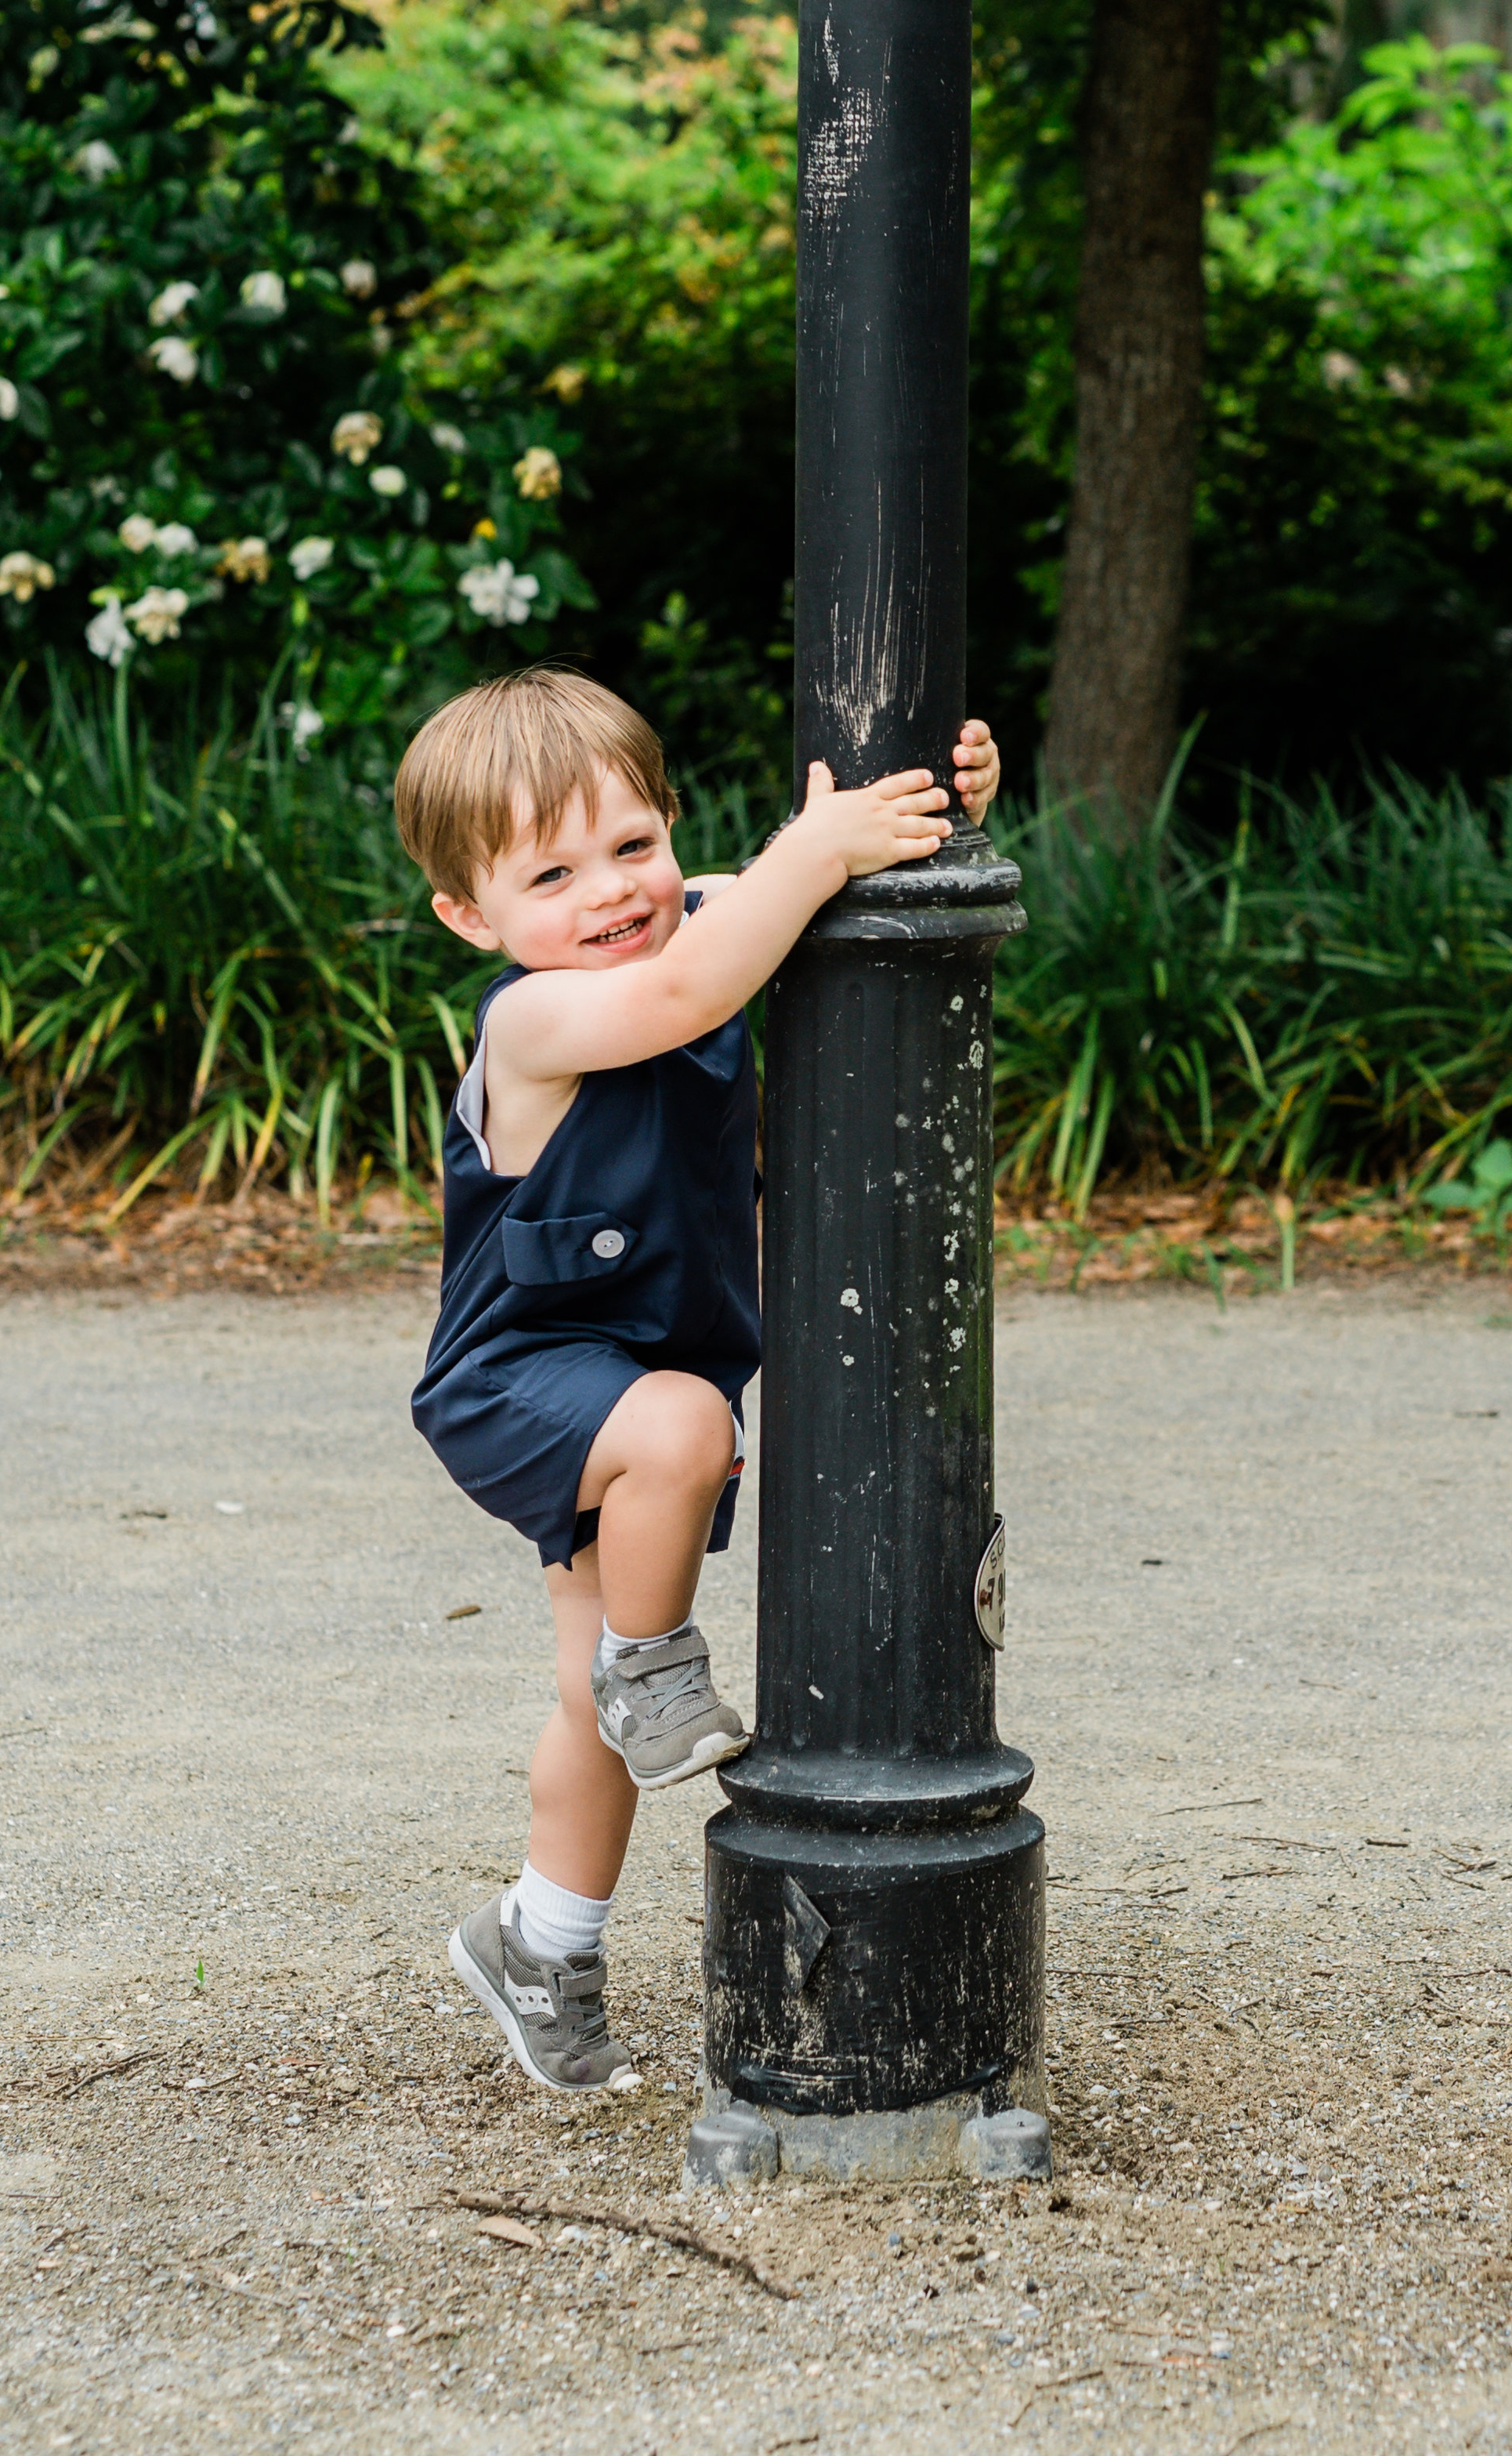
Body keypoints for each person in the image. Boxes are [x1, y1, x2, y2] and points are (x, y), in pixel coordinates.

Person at [392, 666, 1002, 2093]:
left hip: (639, 1386)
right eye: (552, 872)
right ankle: (652, 1661)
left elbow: (803, 894)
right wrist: (816, 850)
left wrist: (931, 805)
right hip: (526, 1375)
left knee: (578, 1696)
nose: (609, 891)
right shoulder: (534, 1022)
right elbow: (694, 985)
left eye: (634, 846)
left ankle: (542, 1939)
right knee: (682, 1427)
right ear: (473, 919)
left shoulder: (714, 913)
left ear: (674, 828)